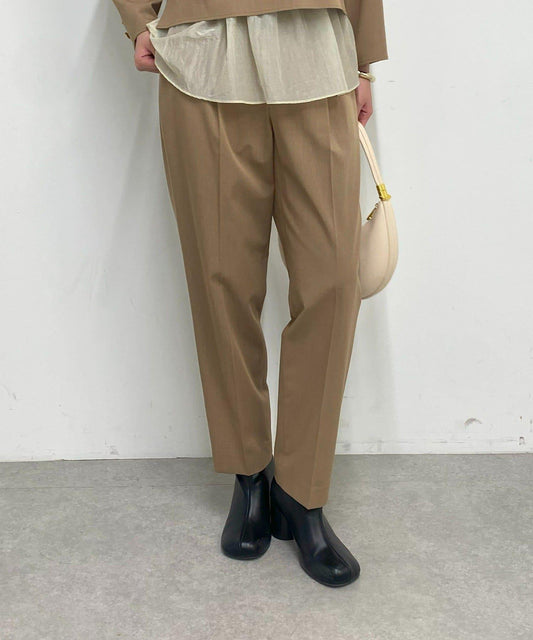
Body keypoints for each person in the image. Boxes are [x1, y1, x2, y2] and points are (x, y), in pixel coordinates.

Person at [111, 0, 388, 588]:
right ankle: (249, 474)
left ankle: (301, 491)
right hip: (202, 51)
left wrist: (364, 60)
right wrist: (139, 17)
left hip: (317, 49)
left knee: (333, 283)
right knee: (221, 280)